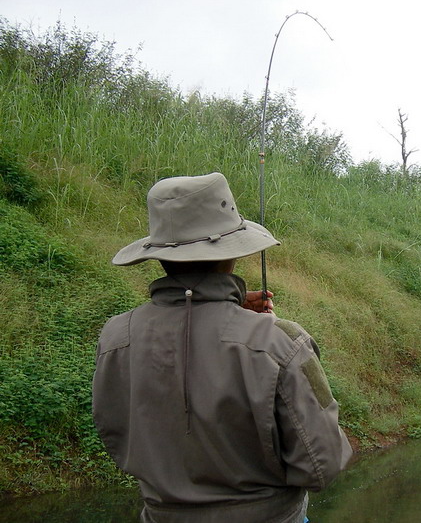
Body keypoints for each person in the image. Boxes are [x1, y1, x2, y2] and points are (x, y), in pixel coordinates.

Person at [92, 172, 352, 523]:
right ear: (232, 253)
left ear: (160, 256)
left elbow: (116, 435)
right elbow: (322, 465)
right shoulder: (281, 341)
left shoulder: (114, 337)